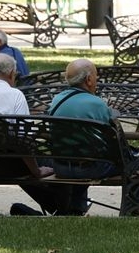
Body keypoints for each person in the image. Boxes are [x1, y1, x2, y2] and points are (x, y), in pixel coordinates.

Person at [0, 53, 67, 217]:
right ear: (11, 74)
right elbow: (24, 140)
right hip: (12, 167)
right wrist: (36, 171)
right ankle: (62, 208)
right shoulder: (15, 95)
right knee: (49, 160)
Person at [46, 58, 115, 215]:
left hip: (61, 166)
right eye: (96, 77)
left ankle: (76, 208)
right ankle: (133, 207)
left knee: (80, 151)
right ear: (89, 79)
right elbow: (112, 139)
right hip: (91, 169)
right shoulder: (96, 103)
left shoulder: (57, 100)